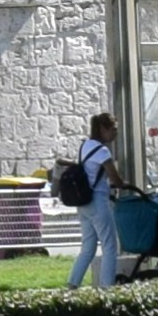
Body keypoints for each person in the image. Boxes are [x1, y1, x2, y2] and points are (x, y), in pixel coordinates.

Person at [60, 114, 121, 289]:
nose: (115, 134)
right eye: (113, 129)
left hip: (83, 203)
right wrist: (125, 184)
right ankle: (106, 288)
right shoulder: (102, 151)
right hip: (97, 201)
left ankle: (72, 284)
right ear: (103, 129)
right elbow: (115, 178)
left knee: (88, 247)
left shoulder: (85, 146)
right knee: (110, 246)